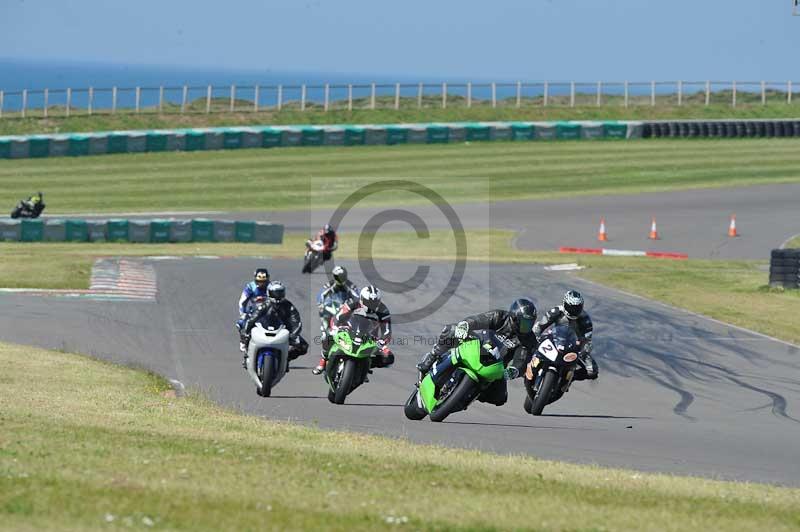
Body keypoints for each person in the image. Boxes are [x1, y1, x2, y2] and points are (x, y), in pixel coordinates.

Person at [415, 298, 539, 406]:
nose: (527, 327)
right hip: (477, 346)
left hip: (495, 367)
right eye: (524, 323)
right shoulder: (499, 316)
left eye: (530, 323)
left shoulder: (529, 340)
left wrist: (514, 370)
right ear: (514, 318)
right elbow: (477, 320)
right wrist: (465, 326)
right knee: (451, 330)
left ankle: (471, 394)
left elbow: (522, 360)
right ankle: (432, 357)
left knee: (500, 398)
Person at [313, 285, 393, 374]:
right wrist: (336, 327)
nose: (371, 305)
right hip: (348, 329)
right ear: (362, 299)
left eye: (374, 302)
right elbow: (338, 317)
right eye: (368, 302)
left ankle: (364, 367)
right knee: (327, 337)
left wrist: (382, 342)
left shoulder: (383, 310)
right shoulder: (353, 303)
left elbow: (387, 331)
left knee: (388, 358)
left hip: (369, 337)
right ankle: (323, 360)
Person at [240, 281, 308, 369]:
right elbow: (253, 318)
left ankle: (286, 358)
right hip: (263, 327)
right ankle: (247, 355)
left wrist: (293, 335)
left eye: (280, 293)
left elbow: (296, 321)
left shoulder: (289, 306)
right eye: (275, 293)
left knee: (303, 346)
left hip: (283, 329)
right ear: (269, 293)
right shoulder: (264, 304)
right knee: (246, 335)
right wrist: (246, 331)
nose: (277, 296)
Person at [533, 290, 597, 381]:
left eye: (577, 308)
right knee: (531, 347)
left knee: (593, 371)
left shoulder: (585, 320)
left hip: (573, 345)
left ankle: (569, 378)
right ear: (564, 304)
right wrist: (536, 337)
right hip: (554, 339)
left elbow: (587, 339)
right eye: (571, 307)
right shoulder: (556, 311)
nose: (574, 311)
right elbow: (540, 326)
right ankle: (531, 369)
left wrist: (584, 349)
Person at [316, 265, 360, 334]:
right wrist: (320, 303)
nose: (340, 279)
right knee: (323, 310)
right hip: (333, 304)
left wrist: (356, 303)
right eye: (338, 277)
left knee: (357, 315)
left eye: (342, 277)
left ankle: (355, 332)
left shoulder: (351, 285)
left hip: (346, 305)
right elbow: (321, 294)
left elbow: (357, 296)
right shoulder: (330, 284)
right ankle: (324, 329)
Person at [236, 268, 270, 340]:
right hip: (254, 310)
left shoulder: (271, 286)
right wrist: (243, 313)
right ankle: (243, 340)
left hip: (270, 310)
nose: (262, 284)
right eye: (259, 281)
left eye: (264, 282)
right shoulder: (250, 287)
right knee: (241, 323)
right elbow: (242, 301)